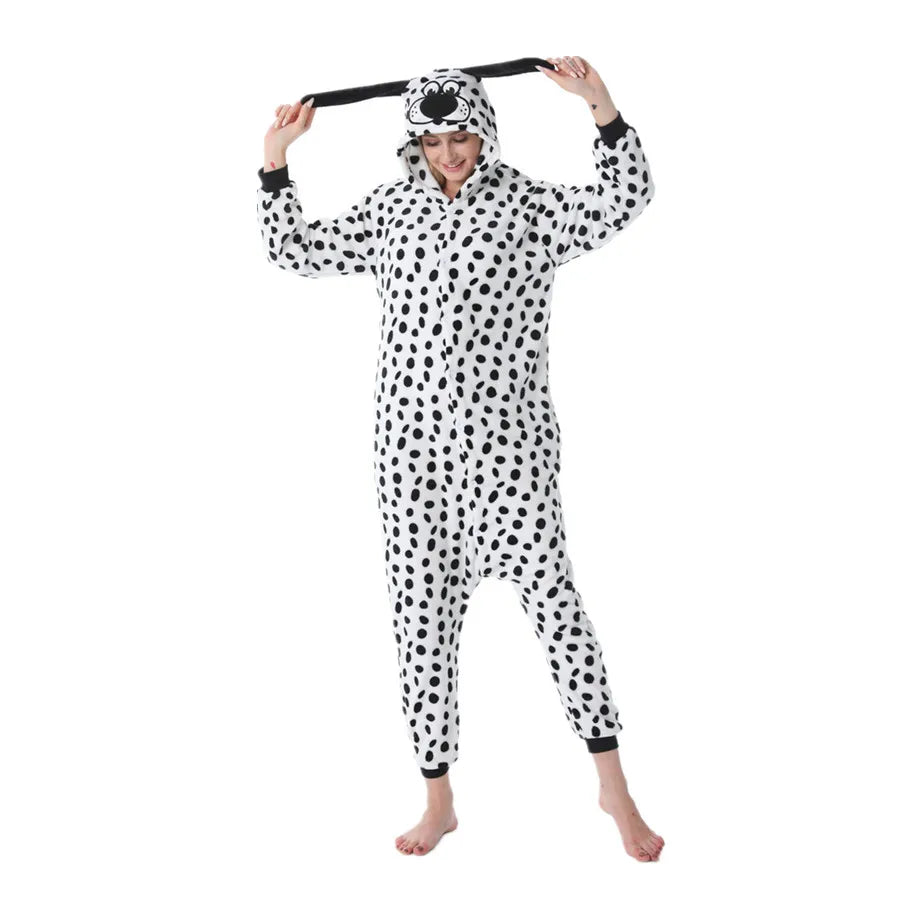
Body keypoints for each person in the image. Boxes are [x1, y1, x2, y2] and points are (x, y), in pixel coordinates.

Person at [257, 55, 664, 862]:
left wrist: (601, 107)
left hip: (510, 456)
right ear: (415, 141)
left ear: (486, 131)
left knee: (558, 609)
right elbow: (295, 250)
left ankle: (614, 788)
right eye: (434, 140)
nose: (450, 153)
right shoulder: (390, 210)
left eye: (462, 137)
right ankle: (438, 801)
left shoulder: (528, 208)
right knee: (421, 627)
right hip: (412, 462)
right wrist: (275, 162)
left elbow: (628, 195)